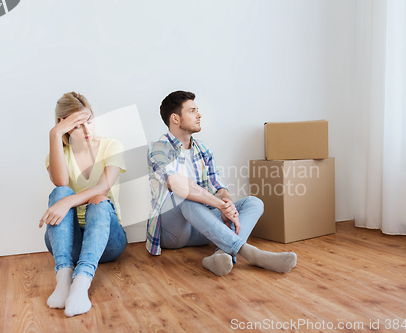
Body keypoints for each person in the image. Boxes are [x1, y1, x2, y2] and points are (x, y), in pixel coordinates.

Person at [146, 91, 297, 276]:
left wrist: (227, 204)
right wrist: (219, 205)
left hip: (202, 226)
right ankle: (252, 254)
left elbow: (218, 187)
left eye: (197, 110)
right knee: (185, 197)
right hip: (173, 232)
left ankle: (222, 254)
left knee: (254, 202)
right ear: (175, 118)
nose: (199, 115)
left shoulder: (203, 149)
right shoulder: (159, 149)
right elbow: (178, 185)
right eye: (192, 111)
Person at [39, 92, 127, 317]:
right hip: (67, 245)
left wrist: (68, 201)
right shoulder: (59, 153)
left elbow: (102, 189)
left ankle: (81, 284)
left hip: (107, 241)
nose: (87, 130)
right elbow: (61, 183)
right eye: (78, 126)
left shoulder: (111, 146)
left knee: (98, 199)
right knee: (60, 191)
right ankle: (63, 280)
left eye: (89, 121)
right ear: (66, 127)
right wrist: (54, 133)